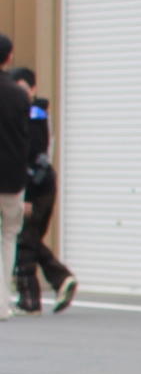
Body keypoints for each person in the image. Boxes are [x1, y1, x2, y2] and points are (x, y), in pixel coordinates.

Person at [10, 66, 73, 313]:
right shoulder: (36, 113)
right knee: (31, 238)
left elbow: (35, 155)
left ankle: (30, 300)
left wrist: (28, 194)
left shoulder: (35, 114)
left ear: (33, 88)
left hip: (38, 185)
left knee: (25, 240)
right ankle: (61, 279)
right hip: (41, 183)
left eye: (24, 88)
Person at [0, 38, 31, 323]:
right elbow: (27, 141)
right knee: (9, 237)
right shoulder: (20, 95)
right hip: (11, 178)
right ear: (9, 58)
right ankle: (2, 304)